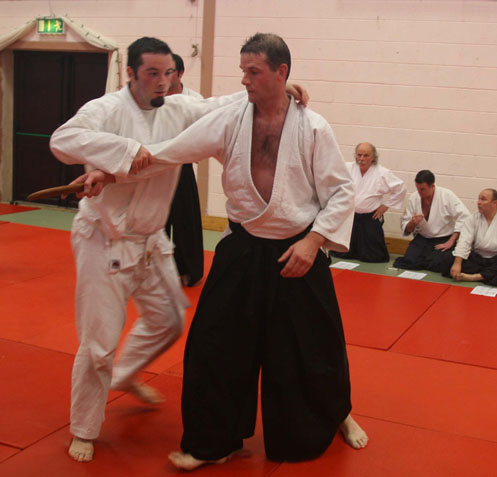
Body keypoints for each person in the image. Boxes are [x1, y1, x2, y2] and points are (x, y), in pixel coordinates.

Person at [114, 32, 368, 470]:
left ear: (281, 72)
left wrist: (313, 242)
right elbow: (170, 152)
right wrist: (111, 169)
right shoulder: (231, 119)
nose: (245, 80)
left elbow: (342, 192)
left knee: (312, 350)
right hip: (243, 248)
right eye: (243, 71)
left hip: (298, 250)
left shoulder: (313, 127)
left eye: (254, 72)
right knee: (214, 346)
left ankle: (337, 415)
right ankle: (215, 442)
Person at [48, 36, 264, 464]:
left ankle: (125, 375)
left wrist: (268, 91)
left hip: (151, 241)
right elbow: (63, 139)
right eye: (152, 73)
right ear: (130, 73)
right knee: (98, 346)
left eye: (169, 73)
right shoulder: (106, 110)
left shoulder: (179, 109)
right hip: (103, 240)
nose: (163, 82)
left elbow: (219, 107)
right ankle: (84, 428)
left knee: (169, 320)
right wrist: (123, 151)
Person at [164, 53, 204, 286]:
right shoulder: (152, 98)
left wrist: (195, 151)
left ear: (180, 73)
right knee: (155, 221)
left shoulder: (194, 100)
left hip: (182, 167)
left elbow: (205, 133)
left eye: (169, 72)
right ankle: (154, 270)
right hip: (155, 168)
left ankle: (187, 270)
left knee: (185, 221)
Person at [332, 142, 406, 262]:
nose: (362, 158)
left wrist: (386, 205)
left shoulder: (382, 173)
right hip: (350, 215)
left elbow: (400, 188)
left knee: (374, 255)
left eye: (366, 155)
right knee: (343, 252)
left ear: (373, 157)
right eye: (359, 155)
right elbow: (334, 183)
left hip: (370, 216)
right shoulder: (347, 168)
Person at [393, 170, 470, 272]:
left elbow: (465, 217)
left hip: (443, 239)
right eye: (417, 188)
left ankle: (428, 259)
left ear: (432, 186)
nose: (419, 192)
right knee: (408, 261)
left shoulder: (446, 196)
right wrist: (413, 223)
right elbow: (406, 228)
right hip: (422, 238)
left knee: (439, 264)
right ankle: (426, 259)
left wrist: (451, 241)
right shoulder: (414, 198)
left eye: (422, 189)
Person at [441, 188, 497, 284]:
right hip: (477, 258)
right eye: (479, 199)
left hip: (495, 259)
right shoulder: (473, 218)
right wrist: (457, 263)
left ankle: (475, 277)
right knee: (447, 259)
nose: (479, 202)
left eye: (483, 199)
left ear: (494, 203)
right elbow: (464, 241)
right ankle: (486, 276)